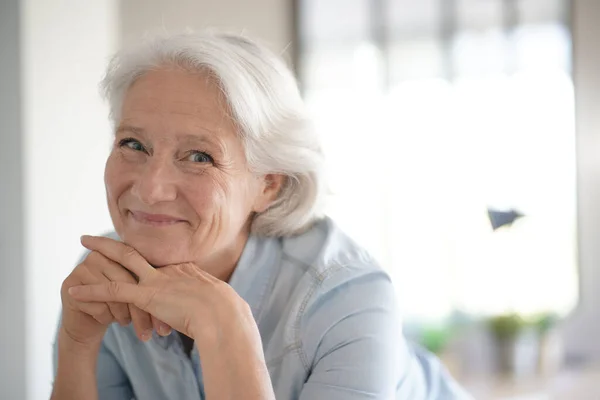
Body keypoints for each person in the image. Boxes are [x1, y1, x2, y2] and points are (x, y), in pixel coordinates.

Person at [51, 31, 471, 400]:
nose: (149, 188)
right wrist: (76, 344)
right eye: (133, 144)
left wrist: (226, 336)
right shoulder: (102, 278)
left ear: (269, 185)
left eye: (200, 156)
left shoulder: (348, 298)